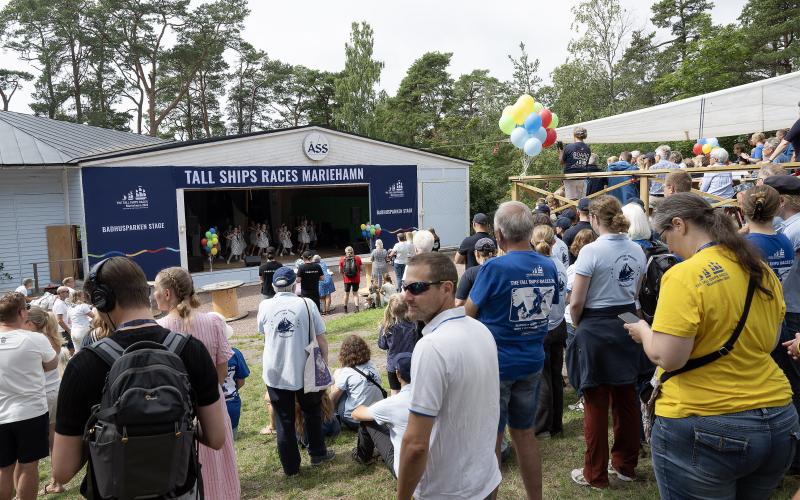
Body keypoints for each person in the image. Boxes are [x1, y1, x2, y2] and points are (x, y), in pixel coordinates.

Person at [625, 193, 795, 498]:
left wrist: (644, 331)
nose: (668, 245)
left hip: (704, 420)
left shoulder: (683, 275)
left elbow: (668, 357)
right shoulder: (760, 269)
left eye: (666, 236)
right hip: (778, 417)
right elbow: (769, 341)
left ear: (679, 224)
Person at [52, 257, 227, 498]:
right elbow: (216, 438)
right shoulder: (192, 350)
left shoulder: (83, 365)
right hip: (179, 490)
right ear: (145, 291)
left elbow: (62, 470)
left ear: (102, 300)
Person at [465, 201, 560, 500]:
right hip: (532, 360)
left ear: (499, 235)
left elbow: (469, 313)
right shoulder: (548, 264)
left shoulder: (494, 266)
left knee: (491, 438)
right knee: (524, 433)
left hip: (496, 364)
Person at [396, 252, 500, 499]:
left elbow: (416, 444)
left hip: (448, 490)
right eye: (404, 286)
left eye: (417, 287)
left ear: (446, 288)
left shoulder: (432, 346)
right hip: (486, 480)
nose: (406, 295)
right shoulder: (482, 330)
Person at [567, 195, 647, 488]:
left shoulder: (591, 251)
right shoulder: (637, 249)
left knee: (596, 403)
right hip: (627, 320)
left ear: (596, 219)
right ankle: (626, 465)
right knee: (627, 399)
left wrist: (580, 325)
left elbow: (577, 301)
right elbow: (634, 294)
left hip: (596, 323)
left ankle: (595, 473)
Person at [153, 267, 240, 500]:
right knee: (217, 469)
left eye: (156, 290)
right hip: (212, 404)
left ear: (168, 293)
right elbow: (221, 373)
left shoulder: (159, 329)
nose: (154, 295)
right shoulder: (213, 322)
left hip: (177, 412)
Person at [257, 266, 334, 475]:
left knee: (284, 419)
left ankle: (291, 467)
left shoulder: (264, 306)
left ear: (273, 286)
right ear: (294, 285)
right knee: (312, 411)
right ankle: (317, 453)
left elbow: (263, 331)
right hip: (305, 366)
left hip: (276, 370)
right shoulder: (307, 304)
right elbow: (321, 339)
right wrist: (324, 364)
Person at [0, 293, 57, 500]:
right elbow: (51, 365)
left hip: (2, 413)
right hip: (30, 412)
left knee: (4, 468)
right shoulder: (35, 339)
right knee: (28, 466)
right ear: (22, 312)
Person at [531, 225, 568, 440]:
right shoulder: (559, 265)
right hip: (559, 323)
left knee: (543, 378)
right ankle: (556, 423)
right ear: (554, 242)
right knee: (555, 376)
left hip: (543, 326)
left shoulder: (537, 266)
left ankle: (543, 427)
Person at [24, 306, 65, 495]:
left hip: (41, 395)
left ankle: (48, 481)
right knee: (53, 439)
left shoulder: (35, 341)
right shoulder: (51, 339)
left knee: (33, 443)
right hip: (54, 391)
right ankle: (57, 481)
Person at [351, 353, 412, 477]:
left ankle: (363, 456)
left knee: (367, 420)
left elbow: (356, 414)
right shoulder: (437, 397)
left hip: (406, 472)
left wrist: (368, 407)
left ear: (398, 374)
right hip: (436, 467)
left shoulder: (392, 404)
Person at [331, 335, 384, 430]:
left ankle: (334, 416)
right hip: (376, 416)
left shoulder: (347, 371)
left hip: (354, 420)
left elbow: (333, 398)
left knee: (337, 376)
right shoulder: (372, 365)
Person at [743, 185, 795, 282]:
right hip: (781, 296)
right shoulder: (786, 240)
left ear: (743, 209)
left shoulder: (744, 245)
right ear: (777, 209)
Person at [377, 295, 417, 396]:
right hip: (409, 363)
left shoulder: (387, 326)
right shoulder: (413, 324)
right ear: (406, 308)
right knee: (412, 391)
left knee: (395, 392)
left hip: (393, 365)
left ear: (390, 308)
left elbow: (382, 345)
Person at [454, 237, 496, 307]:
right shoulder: (505, 269)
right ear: (495, 252)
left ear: (476, 253)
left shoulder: (470, 273)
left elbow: (458, 303)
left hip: (477, 316)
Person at [223, 342, 250, 439]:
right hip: (231, 403)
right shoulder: (235, 353)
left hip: (208, 408)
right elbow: (241, 381)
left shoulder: (201, 354)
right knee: (231, 442)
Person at [560, 127, 591, 200]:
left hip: (570, 177)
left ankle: (573, 211)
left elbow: (561, 161)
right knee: (582, 200)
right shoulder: (587, 148)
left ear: (574, 135)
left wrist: (560, 153)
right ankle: (581, 211)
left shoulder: (569, 147)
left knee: (571, 200)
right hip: (582, 177)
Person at [563, 197, 594, 263]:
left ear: (578, 211)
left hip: (575, 270)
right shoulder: (599, 230)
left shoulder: (569, 232)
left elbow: (564, 255)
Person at [339, 246, 363, 312]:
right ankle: (357, 308)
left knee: (346, 294)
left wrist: (344, 275)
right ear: (353, 251)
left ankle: (345, 309)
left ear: (345, 252)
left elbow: (340, 271)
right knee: (355, 293)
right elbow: (361, 269)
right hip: (356, 279)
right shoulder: (357, 258)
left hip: (346, 280)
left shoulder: (342, 259)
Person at [52, 286, 73, 355]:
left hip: (64, 330)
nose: (68, 293)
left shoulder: (62, 302)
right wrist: (69, 330)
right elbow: (59, 320)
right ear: (60, 293)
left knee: (68, 349)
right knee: (69, 350)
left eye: (68, 291)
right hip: (63, 331)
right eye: (66, 291)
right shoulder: (60, 304)